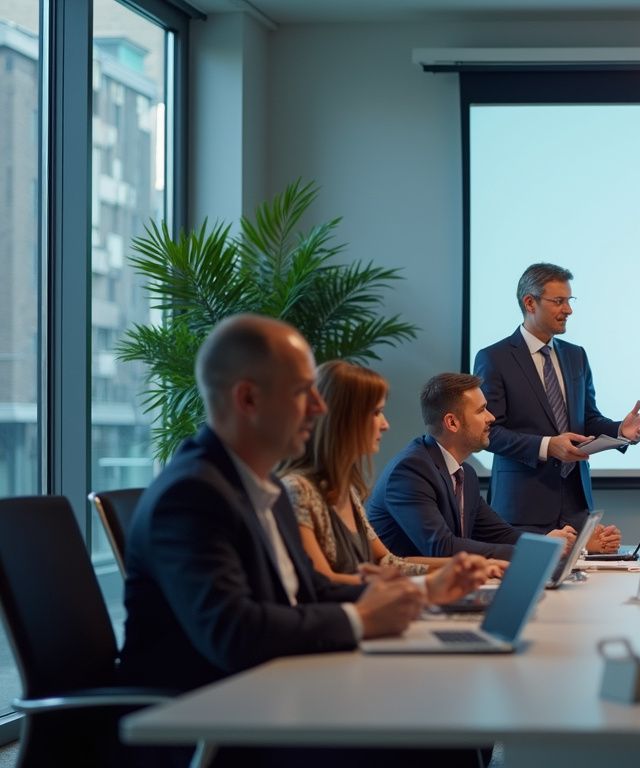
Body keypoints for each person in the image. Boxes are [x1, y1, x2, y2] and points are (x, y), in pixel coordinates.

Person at [117, 315, 490, 766]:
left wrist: (415, 593)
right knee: (434, 740)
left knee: (443, 720)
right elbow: (234, 633)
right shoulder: (192, 495)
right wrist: (360, 620)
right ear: (248, 399)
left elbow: (309, 590)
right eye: (302, 391)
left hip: (270, 689)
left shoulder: (260, 488)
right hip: (214, 722)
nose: (318, 406)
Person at [473, 262, 640, 552]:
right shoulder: (494, 358)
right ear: (530, 303)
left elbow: (586, 419)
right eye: (559, 301)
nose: (569, 310)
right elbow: (489, 433)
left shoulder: (576, 356)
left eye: (569, 301)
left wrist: (620, 431)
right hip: (522, 509)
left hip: (576, 507)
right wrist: (548, 446)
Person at [281, 361, 507, 585]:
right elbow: (323, 582)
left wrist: (473, 565)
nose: (385, 424)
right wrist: (426, 588)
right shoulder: (298, 490)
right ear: (343, 420)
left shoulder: (347, 489)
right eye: (376, 412)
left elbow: (386, 562)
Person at [366, 372, 577, 560]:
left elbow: (501, 534)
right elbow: (441, 547)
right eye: (482, 410)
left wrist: (547, 543)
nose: (491, 417)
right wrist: (534, 552)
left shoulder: (464, 473)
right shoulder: (410, 471)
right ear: (452, 423)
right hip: (406, 595)